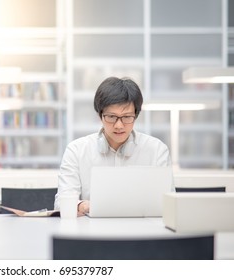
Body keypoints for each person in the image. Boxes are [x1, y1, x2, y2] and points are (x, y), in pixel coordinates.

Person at [54, 77, 172, 216]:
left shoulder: (157, 150)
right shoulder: (76, 150)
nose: (119, 125)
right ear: (100, 115)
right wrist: (84, 205)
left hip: (143, 231)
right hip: (92, 232)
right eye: (111, 117)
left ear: (136, 115)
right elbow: (61, 203)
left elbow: (171, 203)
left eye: (127, 117)